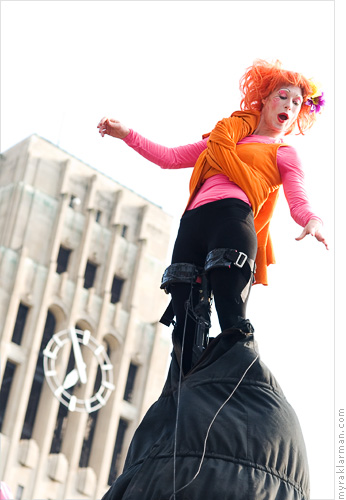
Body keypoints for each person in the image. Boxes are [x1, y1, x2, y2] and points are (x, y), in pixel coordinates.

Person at [97, 59, 327, 374]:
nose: (290, 105)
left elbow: (297, 197)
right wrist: (127, 134)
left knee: (230, 313)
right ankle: (188, 390)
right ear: (265, 99)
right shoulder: (221, 140)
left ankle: (244, 386)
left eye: (297, 102)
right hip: (192, 222)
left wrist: (312, 220)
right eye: (283, 96)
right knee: (185, 324)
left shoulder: (283, 152)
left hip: (232, 220)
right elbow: (171, 157)